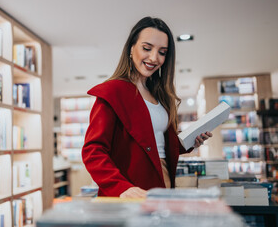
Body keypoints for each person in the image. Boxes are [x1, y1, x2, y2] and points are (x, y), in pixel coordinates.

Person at [81, 17, 212, 198]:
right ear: (131, 48)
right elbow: (93, 151)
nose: (154, 58)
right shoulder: (112, 92)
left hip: (163, 181)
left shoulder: (160, 95)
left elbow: (155, 144)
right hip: (131, 189)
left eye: (162, 52)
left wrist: (189, 142)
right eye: (147, 48)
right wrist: (121, 187)